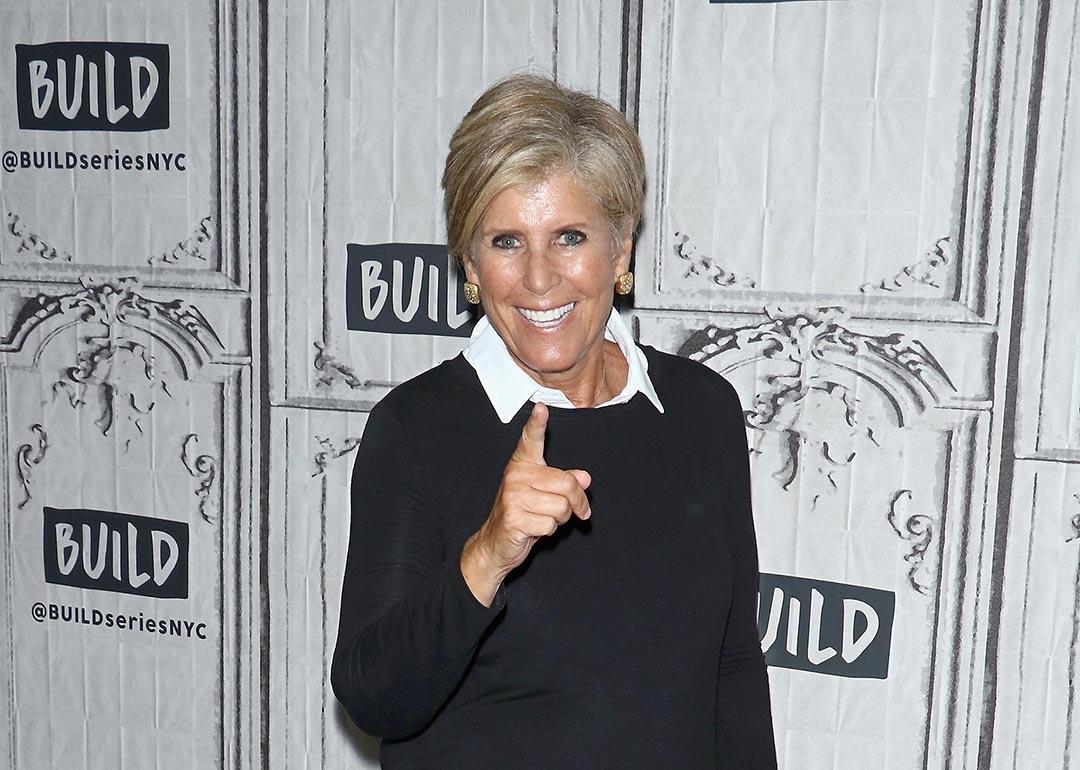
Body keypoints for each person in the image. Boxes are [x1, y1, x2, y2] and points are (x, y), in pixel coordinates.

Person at [331, 72, 777, 769]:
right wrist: (489, 553)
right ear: (469, 263)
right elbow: (373, 697)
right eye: (506, 242)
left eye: (569, 236)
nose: (540, 280)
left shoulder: (701, 411)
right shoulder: (417, 429)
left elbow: (733, 671)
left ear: (621, 248)